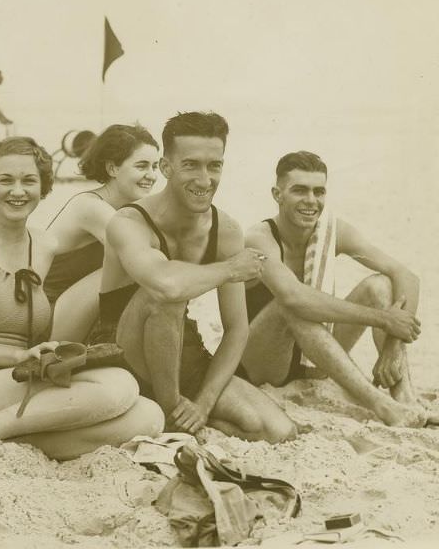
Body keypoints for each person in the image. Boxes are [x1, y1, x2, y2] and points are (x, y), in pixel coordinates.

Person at [0, 136, 163, 466]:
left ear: (43, 187)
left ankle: (5, 435)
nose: (18, 191)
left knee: (149, 417)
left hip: (21, 373)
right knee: (119, 386)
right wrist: (16, 355)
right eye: (6, 180)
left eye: (29, 181)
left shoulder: (44, 245)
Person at [92, 111, 296, 443]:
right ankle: (172, 414)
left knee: (276, 431)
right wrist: (231, 269)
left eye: (214, 165)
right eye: (191, 165)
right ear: (165, 167)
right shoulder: (129, 221)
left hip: (179, 351)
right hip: (123, 355)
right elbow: (165, 285)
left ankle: (186, 419)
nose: (204, 180)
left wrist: (203, 403)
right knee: (166, 293)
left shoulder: (225, 230)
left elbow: (236, 328)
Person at [239, 151, 431, 428]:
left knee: (379, 285)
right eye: (299, 190)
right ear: (277, 194)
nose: (311, 200)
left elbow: (406, 276)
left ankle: (405, 398)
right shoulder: (260, 237)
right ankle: (382, 405)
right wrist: (384, 319)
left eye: (319, 191)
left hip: (314, 353)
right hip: (262, 363)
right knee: (288, 303)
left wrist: (392, 346)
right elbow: (294, 297)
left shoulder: (331, 230)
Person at [44, 124, 159, 345]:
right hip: (51, 314)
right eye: (142, 166)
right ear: (113, 169)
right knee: (132, 263)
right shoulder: (91, 207)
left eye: (155, 166)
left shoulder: (129, 210)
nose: (152, 175)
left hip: (78, 307)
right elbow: (145, 257)